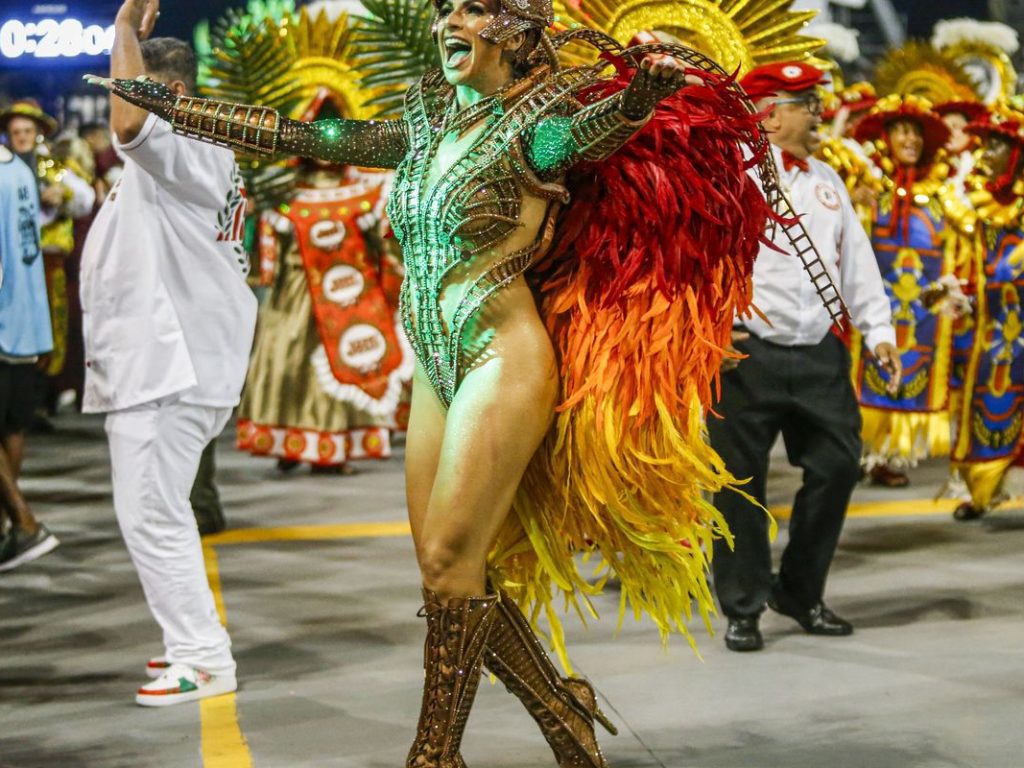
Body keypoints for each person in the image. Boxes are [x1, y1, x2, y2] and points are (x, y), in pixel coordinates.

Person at [96, 0, 810, 761]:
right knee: (446, 575)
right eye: (446, 11)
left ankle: (435, 754)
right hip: (436, 367)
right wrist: (164, 102)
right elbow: (300, 133)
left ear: (516, 34)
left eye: (473, 10)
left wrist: (640, 97)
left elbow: (591, 133)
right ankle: (563, 709)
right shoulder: (422, 128)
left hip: (501, 357)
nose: (450, 24)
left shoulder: (539, 129)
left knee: (448, 562)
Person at [80, 0, 257, 706]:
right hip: (175, 363)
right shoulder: (189, 156)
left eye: (127, 78)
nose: (115, 98)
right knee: (161, 510)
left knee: (153, 514)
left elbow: (129, 122)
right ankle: (193, 645)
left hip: (171, 366)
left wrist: (122, 28)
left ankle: (203, 658)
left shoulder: (184, 144)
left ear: (172, 95)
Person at [711, 61, 900, 653]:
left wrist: (881, 332)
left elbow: (857, 262)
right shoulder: (728, 178)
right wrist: (706, 336)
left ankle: (799, 590)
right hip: (745, 355)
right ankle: (742, 606)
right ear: (768, 113)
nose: (817, 113)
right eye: (804, 102)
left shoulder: (827, 181)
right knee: (740, 485)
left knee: (839, 466)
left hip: (820, 354)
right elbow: (698, 265)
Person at [237, 93, 411, 474]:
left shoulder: (369, 188)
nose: (327, 148)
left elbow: (385, 246)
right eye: (318, 136)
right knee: (286, 364)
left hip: (352, 300)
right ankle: (290, 440)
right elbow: (265, 245)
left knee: (344, 366)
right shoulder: (283, 189)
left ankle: (332, 449)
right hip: (293, 295)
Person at [851, 94, 955, 487]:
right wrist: (852, 197)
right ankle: (864, 451)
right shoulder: (866, 186)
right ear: (886, 137)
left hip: (919, 311)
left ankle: (888, 454)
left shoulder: (944, 194)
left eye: (916, 133)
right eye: (901, 132)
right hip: (874, 304)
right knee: (863, 372)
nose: (910, 140)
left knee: (909, 369)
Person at [949, 103, 1024, 520]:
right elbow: (965, 259)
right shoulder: (976, 203)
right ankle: (983, 489)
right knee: (990, 403)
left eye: (997, 144)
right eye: (986, 143)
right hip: (995, 331)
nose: (987, 151)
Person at [0, 100, 95, 418]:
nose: (23, 137)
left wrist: (62, 195)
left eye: (28, 131)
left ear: (38, 133)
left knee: (51, 329)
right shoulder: (5, 167)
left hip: (48, 265)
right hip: (11, 266)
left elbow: (85, 198)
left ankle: (42, 397)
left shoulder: (53, 167)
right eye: (16, 132)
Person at [0, 143, 60, 572]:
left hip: (3, 317)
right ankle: (11, 530)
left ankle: (23, 522)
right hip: (26, 316)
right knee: (11, 427)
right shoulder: (17, 169)